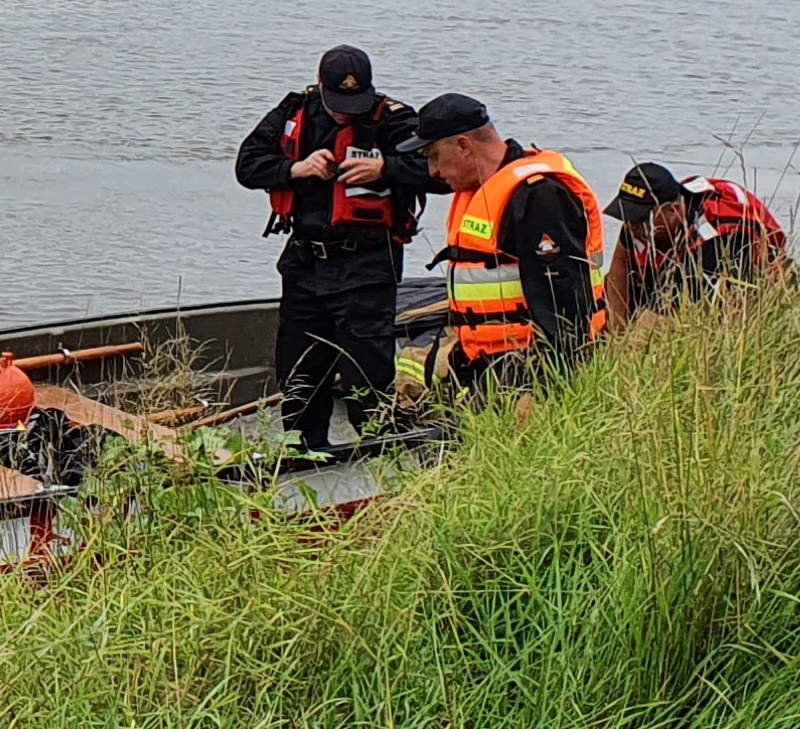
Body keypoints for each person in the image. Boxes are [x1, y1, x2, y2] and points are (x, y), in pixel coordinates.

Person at [232, 46, 431, 453]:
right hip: (306, 264)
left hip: (368, 266)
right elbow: (247, 166)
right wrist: (295, 169)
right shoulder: (294, 113)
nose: (346, 112)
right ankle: (304, 455)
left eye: (354, 103)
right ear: (321, 86)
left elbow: (440, 171)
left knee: (366, 379)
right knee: (299, 378)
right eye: (339, 103)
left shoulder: (393, 120)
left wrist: (385, 168)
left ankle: (380, 459)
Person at [409, 94, 604, 388]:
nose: (433, 171)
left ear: (463, 146)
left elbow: (564, 310)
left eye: (434, 156)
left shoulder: (539, 197)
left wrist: (541, 391)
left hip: (527, 373)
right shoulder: (483, 189)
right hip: (487, 368)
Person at [602, 163, 789, 322]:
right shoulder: (642, 224)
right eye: (627, 216)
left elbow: (654, 322)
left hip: (747, 290)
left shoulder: (709, 241)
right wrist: (615, 335)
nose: (629, 226)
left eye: (638, 219)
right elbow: (620, 266)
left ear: (673, 211)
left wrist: (620, 359)